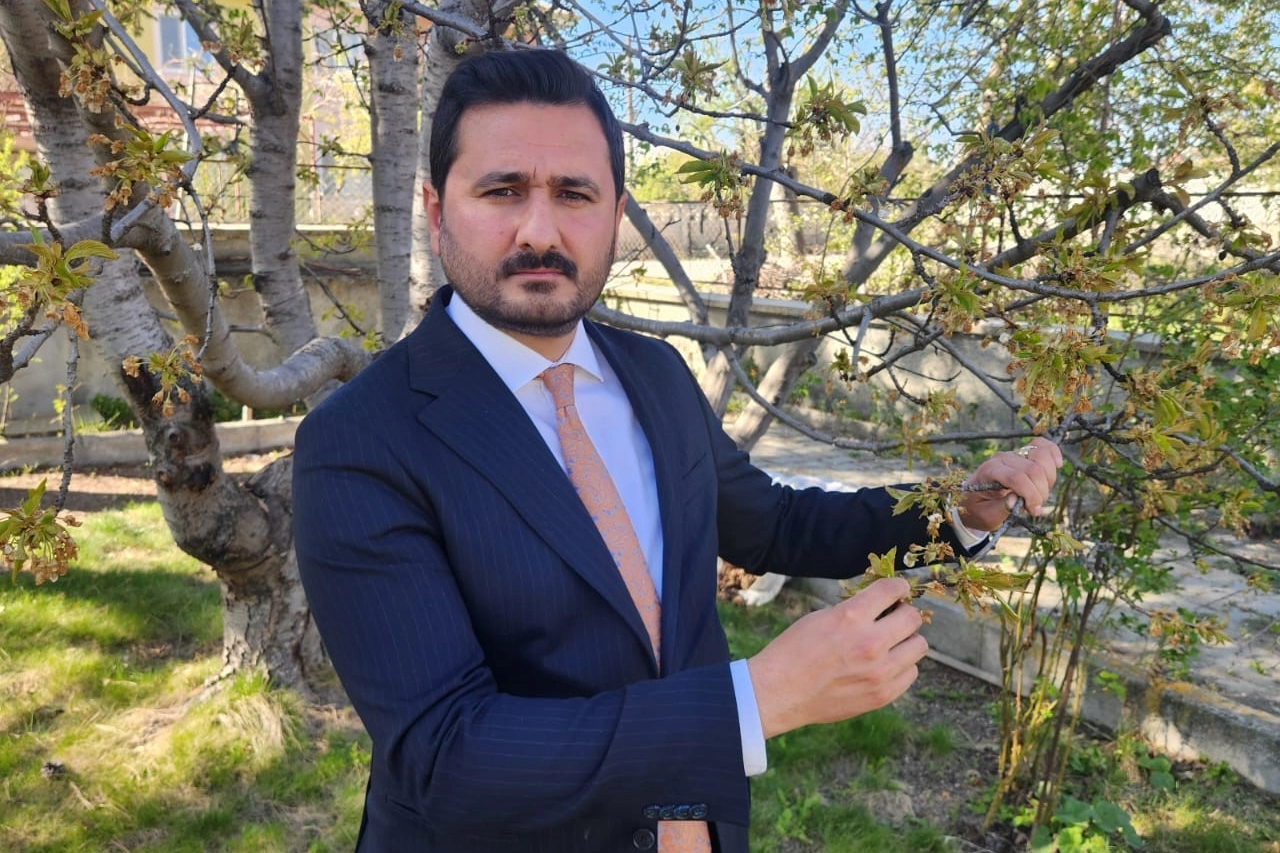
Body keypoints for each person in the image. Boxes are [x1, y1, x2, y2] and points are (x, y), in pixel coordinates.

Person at [292, 47, 1062, 853]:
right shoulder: (359, 441)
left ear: (616, 213)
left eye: (575, 194)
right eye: (502, 190)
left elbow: (773, 524)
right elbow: (445, 752)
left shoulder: (654, 374)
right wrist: (756, 700)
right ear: (435, 209)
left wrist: (952, 513)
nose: (540, 230)